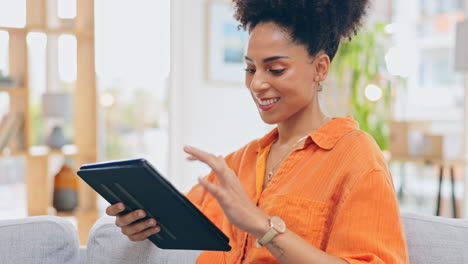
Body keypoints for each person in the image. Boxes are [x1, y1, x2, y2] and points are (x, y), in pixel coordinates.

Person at [106, 0, 409, 263]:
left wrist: (261, 225)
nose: (257, 84)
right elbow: (178, 219)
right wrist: (143, 223)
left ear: (320, 68)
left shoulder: (355, 157)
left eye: (275, 69)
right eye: (250, 69)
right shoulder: (240, 163)